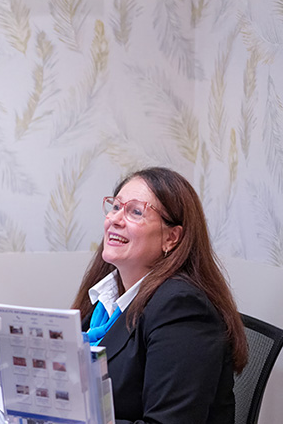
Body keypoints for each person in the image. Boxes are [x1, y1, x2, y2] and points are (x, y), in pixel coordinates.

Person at [71, 167, 248, 424]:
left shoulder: (183, 309)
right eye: (116, 206)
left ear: (172, 238)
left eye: (135, 211)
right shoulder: (104, 300)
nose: (115, 219)